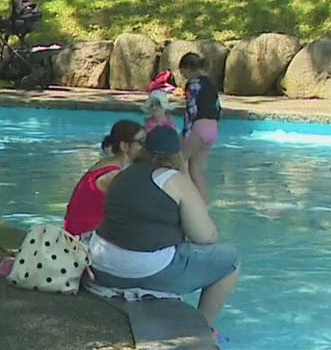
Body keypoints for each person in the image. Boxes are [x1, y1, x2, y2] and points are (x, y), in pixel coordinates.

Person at [87, 125, 241, 326]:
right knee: (230, 261)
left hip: (102, 267)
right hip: (144, 271)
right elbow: (207, 236)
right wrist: (184, 172)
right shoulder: (173, 179)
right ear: (176, 155)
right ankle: (203, 327)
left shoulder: (122, 173)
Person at [64, 119, 145, 236]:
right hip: (82, 240)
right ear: (124, 146)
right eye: (141, 142)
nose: (146, 146)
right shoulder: (113, 176)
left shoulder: (107, 163)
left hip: (79, 233)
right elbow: (137, 210)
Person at [179, 52, 222, 198]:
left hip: (199, 126)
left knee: (179, 162)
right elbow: (217, 107)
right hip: (212, 129)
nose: (183, 75)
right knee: (196, 169)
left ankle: (185, 200)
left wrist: (185, 132)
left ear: (187, 68)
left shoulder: (193, 83)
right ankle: (203, 204)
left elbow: (191, 110)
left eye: (182, 71)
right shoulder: (210, 83)